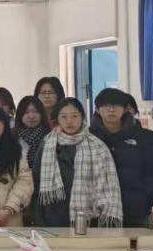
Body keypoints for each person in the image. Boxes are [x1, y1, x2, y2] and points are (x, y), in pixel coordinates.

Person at [35, 97, 124, 228]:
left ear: (82, 117)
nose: (69, 121)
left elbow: (109, 184)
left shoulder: (98, 146)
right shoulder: (47, 144)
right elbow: (37, 182)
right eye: (63, 117)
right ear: (57, 119)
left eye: (74, 116)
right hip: (53, 216)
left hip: (90, 219)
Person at [90, 87, 153, 227]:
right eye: (106, 105)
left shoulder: (145, 137)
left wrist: (145, 198)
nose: (111, 110)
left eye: (116, 105)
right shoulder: (88, 138)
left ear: (125, 109)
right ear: (97, 109)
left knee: (138, 241)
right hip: (96, 212)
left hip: (135, 211)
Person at [15, 96, 50, 173]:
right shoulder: (12, 136)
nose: (31, 116)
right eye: (26, 112)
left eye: (36, 111)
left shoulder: (50, 136)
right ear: (20, 114)